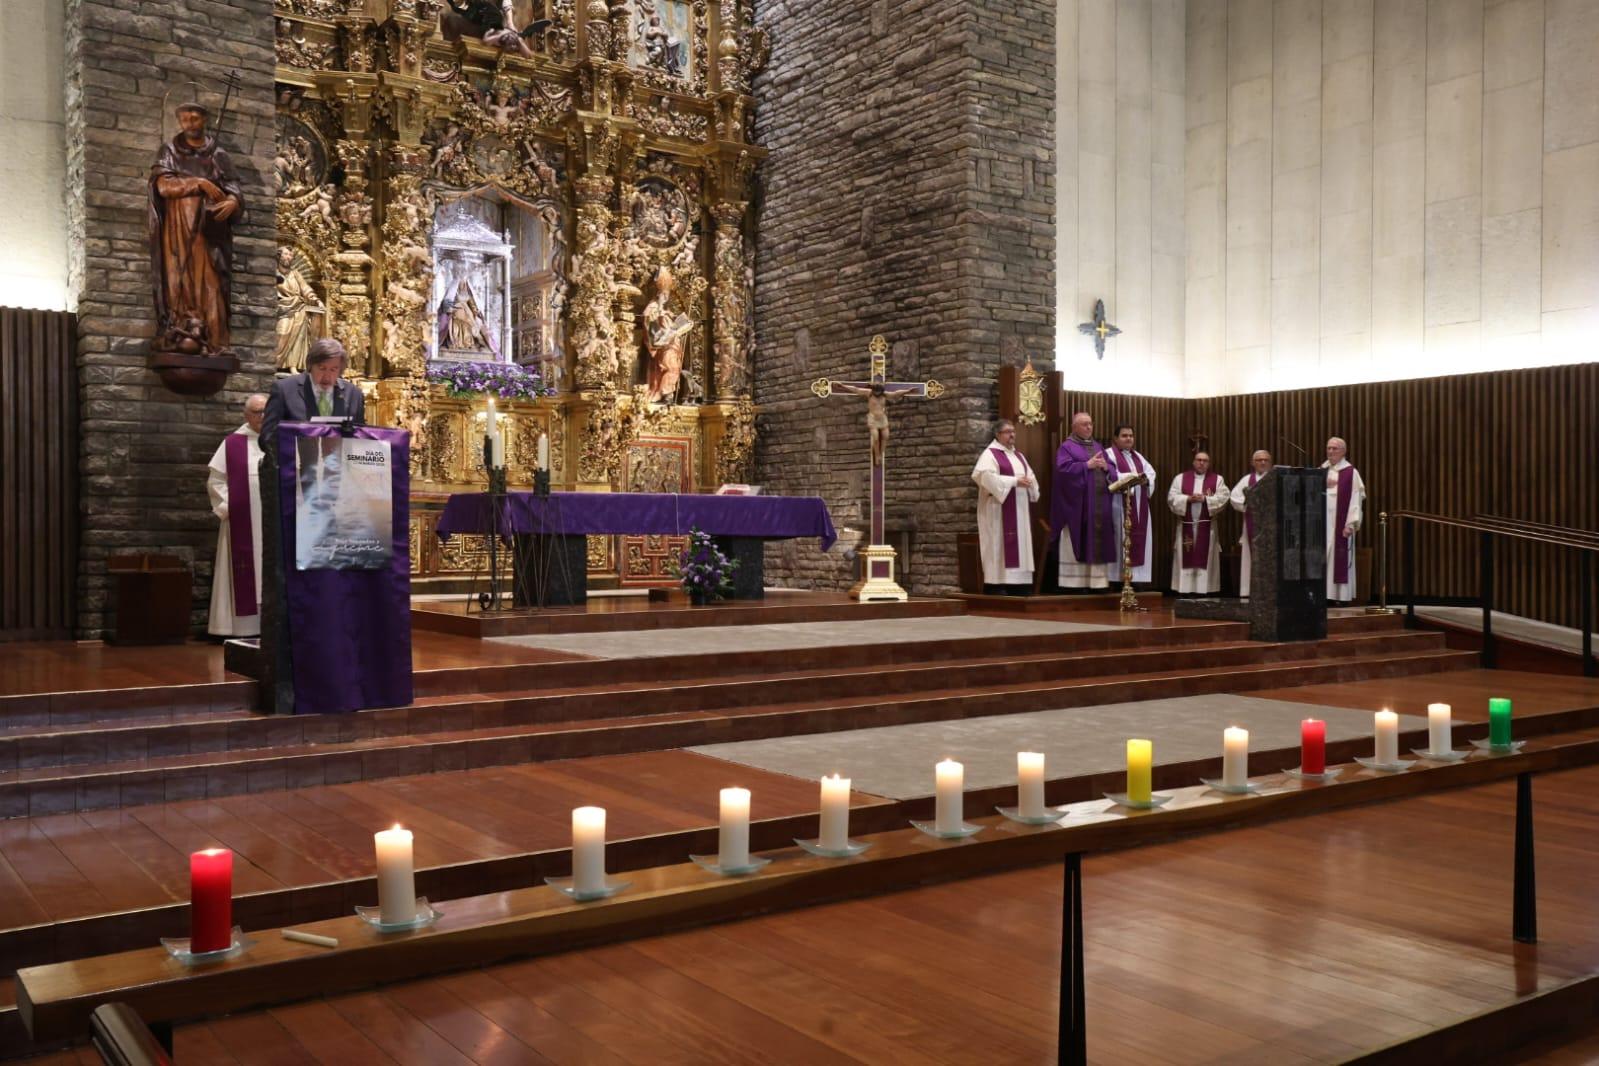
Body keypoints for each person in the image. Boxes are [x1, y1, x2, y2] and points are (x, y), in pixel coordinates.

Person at [149, 102, 244, 357]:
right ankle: (183, 329)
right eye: (185, 119)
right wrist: (199, 182)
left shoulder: (218, 154)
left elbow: (234, 190)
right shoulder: (169, 151)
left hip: (209, 231)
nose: (190, 123)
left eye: (195, 118)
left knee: (212, 281)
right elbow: (163, 187)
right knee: (179, 280)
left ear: (204, 120)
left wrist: (233, 201)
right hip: (178, 229)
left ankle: (215, 340)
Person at [207, 394, 268, 637]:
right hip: (242, 521)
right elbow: (216, 481)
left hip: (272, 521)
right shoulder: (233, 443)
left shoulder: (277, 440)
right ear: (246, 415)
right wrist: (229, 508)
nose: (261, 417)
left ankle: (270, 624)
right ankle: (239, 628)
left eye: (265, 411)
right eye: (256, 412)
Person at [261, 338, 366, 455]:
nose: (327, 376)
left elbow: (360, 439)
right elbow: (267, 438)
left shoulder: (354, 395)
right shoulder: (284, 390)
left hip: (339, 469)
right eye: (322, 368)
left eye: (333, 369)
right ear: (310, 365)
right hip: (296, 468)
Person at [971, 419, 1040, 595]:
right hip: (998, 510)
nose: (1012, 435)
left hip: (1020, 509)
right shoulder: (990, 454)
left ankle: (1020, 584)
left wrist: (1030, 484)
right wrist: (1014, 481)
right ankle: (997, 584)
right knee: (999, 545)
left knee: (1020, 545)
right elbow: (984, 476)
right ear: (998, 434)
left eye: (1013, 431)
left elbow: (1030, 477)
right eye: (1008, 432)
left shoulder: (1019, 456)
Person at [1050, 412, 1118, 590]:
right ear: (1074, 427)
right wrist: (1086, 466)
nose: (1089, 427)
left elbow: (1112, 468)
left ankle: (1097, 583)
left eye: (1090, 424)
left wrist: (1106, 467)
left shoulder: (1097, 446)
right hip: (1078, 507)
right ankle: (1075, 584)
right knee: (1079, 537)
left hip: (1099, 505)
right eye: (1084, 424)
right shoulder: (1067, 447)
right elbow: (1062, 471)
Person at [1166, 451, 1230, 595]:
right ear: (1194, 462)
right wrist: (1188, 499)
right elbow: (1172, 497)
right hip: (1185, 526)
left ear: (1209, 463)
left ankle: (1204, 590)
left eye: (1205, 460)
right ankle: (1185, 590)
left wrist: (1206, 500)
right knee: (1185, 556)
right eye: (1199, 460)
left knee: (1206, 556)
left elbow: (1224, 497)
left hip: (1207, 527)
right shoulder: (1180, 478)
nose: (1201, 463)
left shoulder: (1217, 479)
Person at [1106, 423, 1157, 586]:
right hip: (1119, 505)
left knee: (1139, 539)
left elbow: (1151, 473)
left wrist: (1146, 479)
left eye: (1131, 436)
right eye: (1124, 436)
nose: (1128, 439)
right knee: (1119, 539)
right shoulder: (1109, 455)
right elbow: (1110, 475)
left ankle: (1137, 580)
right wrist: (1134, 476)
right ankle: (1118, 579)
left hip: (1139, 504)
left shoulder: (1138, 456)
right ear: (1115, 438)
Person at [1323, 436, 1366, 604]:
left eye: (1335, 448)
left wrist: (1351, 523)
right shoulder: (1322, 470)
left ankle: (1340, 597)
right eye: (1329, 448)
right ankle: (1324, 595)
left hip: (1340, 525)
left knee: (1338, 557)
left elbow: (1356, 499)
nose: (1331, 452)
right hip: (1322, 524)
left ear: (1344, 451)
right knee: (1324, 558)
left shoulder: (1350, 472)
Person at [1230, 449, 1274, 598]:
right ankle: (1250, 590)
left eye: (1265, 460)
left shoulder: (1276, 479)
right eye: (1259, 460)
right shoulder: (1246, 480)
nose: (1262, 462)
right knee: (1251, 555)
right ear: (1252, 463)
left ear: (1270, 462)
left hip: (1272, 527)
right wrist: (1249, 504)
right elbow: (1234, 498)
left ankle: (1270, 591)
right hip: (1252, 524)